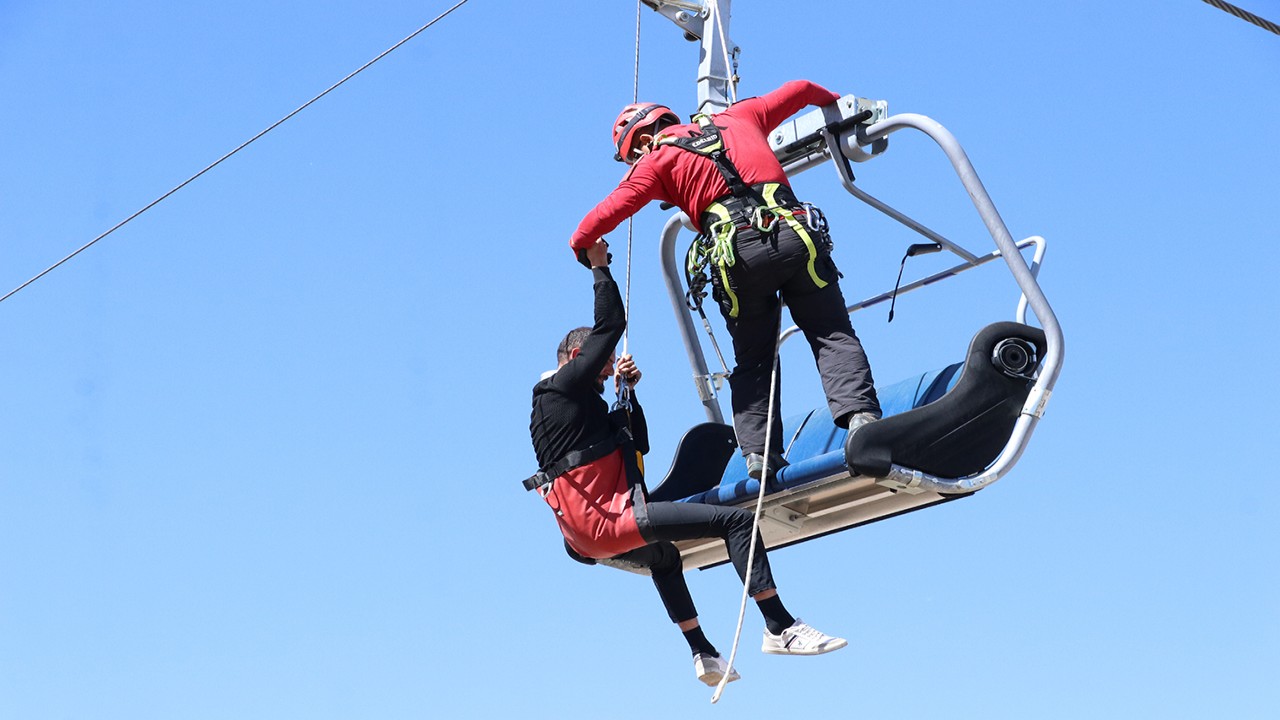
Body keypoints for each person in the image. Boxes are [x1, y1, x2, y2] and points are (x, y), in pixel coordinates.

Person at [526, 239, 846, 687]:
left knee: (665, 559)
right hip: (612, 523)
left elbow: (639, 445)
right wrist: (599, 267)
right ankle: (780, 626)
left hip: (585, 538)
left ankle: (704, 653)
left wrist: (628, 394)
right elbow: (612, 323)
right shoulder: (560, 389)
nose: (603, 379)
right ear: (577, 361)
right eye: (600, 373)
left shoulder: (569, 413)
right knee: (734, 523)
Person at [570, 80, 882, 480]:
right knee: (830, 331)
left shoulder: (655, 161)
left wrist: (585, 248)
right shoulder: (740, 115)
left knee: (753, 360)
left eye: (632, 154)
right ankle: (861, 418)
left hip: (738, 259)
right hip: (793, 236)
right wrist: (834, 106)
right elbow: (803, 88)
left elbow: (597, 220)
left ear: (646, 136)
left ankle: (759, 455)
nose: (635, 163)